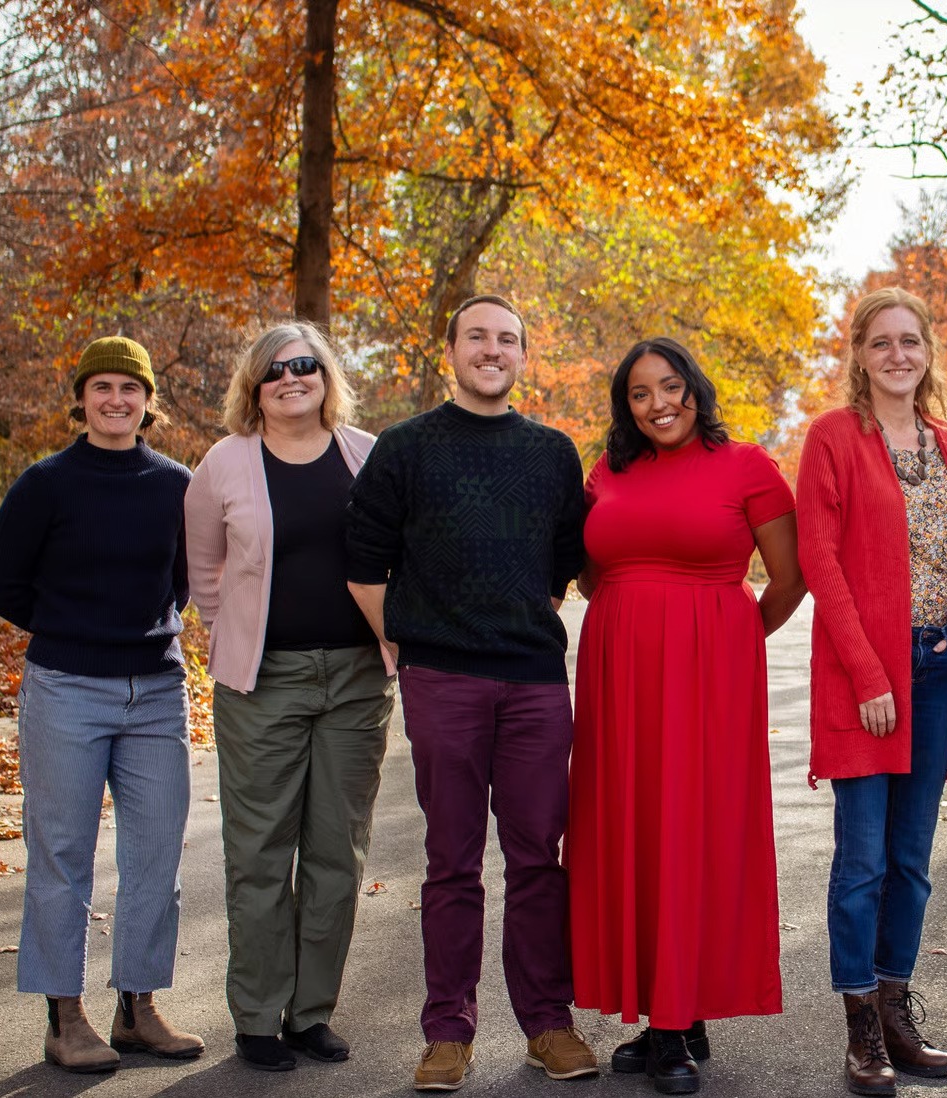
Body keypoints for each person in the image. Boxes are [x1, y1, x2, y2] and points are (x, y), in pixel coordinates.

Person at [345, 294, 598, 1090]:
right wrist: (411, 639)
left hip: (531, 684)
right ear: (449, 351)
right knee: (451, 862)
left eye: (508, 340)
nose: (493, 350)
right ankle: (447, 1032)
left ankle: (548, 1024)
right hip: (442, 681)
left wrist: (511, 621)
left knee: (537, 862)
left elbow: (562, 564)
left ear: (524, 356)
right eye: (478, 337)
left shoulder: (554, 453)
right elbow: (363, 561)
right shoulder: (405, 447)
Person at [566, 337, 805, 1096]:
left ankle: (673, 1025)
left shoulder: (748, 466)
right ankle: (673, 1013)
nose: (659, 403)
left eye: (671, 386)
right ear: (625, 407)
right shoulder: (609, 470)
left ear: (695, 389)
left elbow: (790, 580)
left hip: (710, 676)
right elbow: (592, 568)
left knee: (692, 829)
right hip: (618, 675)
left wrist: (729, 641)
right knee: (632, 828)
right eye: (640, 394)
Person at [0, 335, 205, 1074]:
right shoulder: (45, 484)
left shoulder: (177, 484)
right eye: (102, 387)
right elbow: (2, 585)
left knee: (155, 855)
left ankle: (137, 1009)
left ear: (147, 402)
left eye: (129, 389)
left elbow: (181, 580)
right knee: (62, 854)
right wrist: (73, 629)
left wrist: (139, 632)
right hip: (66, 689)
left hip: (156, 693)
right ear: (81, 398)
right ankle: (64, 1016)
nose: (116, 401)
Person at [185, 322, 396, 1071]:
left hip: (355, 682)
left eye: (305, 365)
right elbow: (204, 571)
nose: (291, 378)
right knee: (261, 854)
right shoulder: (223, 465)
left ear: (325, 376)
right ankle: (257, 1016)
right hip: (262, 683)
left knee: (338, 854)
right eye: (274, 371)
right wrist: (236, 633)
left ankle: (310, 1013)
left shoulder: (366, 455)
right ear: (254, 386)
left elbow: (395, 552)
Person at [797, 288, 947, 1095]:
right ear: (860, 356)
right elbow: (819, 559)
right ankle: (860, 1028)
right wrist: (871, 674)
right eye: (882, 343)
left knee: (912, 861)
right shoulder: (834, 439)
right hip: (866, 675)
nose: (898, 355)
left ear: (927, 351)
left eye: (910, 341)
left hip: (939, 667)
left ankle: (899, 1010)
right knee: (863, 860)